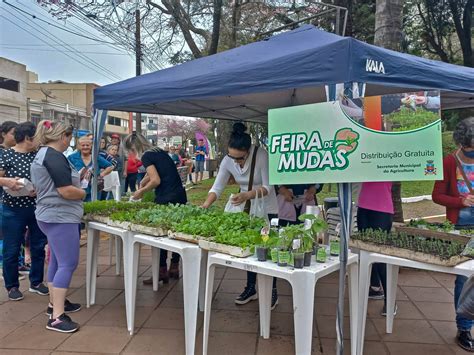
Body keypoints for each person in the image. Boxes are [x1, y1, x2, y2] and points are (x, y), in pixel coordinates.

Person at [202, 122, 279, 309]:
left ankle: (272, 290)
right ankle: (251, 287)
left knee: (267, 247)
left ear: (248, 150)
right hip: (246, 210)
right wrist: (205, 205)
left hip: (266, 208)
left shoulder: (261, 156)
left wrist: (247, 194)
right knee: (248, 248)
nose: (236, 162)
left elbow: (269, 187)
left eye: (240, 158)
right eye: (232, 158)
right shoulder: (228, 159)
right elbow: (217, 187)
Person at [31, 120, 84, 333]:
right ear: (64, 137)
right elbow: (66, 191)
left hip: (48, 215)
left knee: (56, 261)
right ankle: (57, 318)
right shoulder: (54, 157)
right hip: (60, 216)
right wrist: (83, 193)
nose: (69, 142)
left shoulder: (43, 154)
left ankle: (55, 304)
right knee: (67, 264)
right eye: (69, 138)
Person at [432, 117, 474, 352]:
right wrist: (460, 201)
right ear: (462, 143)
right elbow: (437, 195)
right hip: (461, 228)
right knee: (464, 278)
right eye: (470, 149)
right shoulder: (449, 162)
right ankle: (464, 327)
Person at [125, 133, 187, 282]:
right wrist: (144, 181)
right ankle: (174, 267)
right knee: (175, 232)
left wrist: (140, 191)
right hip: (179, 194)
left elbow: (156, 180)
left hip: (166, 196)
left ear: (133, 147)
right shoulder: (157, 151)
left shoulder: (146, 156)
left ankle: (161, 271)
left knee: (160, 236)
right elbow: (158, 171)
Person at [0, 122, 49, 301]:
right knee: (12, 248)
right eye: (36, 137)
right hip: (12, 209)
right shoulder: (7, 154)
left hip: (37, 207)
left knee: (38, 246)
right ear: (28, 138)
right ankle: (12, 286)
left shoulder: (38, 155)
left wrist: (39, 188)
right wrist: (7, 182)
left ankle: (36, 282)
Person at [357, 182, 395, 313]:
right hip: (363, 206)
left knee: (379, 256)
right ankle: (374, 287)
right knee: (365, 250)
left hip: (382, 209)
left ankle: (390, 302)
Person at [68, 136, 113, 202]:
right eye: (83, 145)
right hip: (77, 189)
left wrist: (101, 175)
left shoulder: (96, 157)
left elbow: (110, 167)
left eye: (87, 145)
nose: (85, 147)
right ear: (79, 146)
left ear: (91, 146)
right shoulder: (72, 157)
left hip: (94, 189)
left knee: (92, 209)